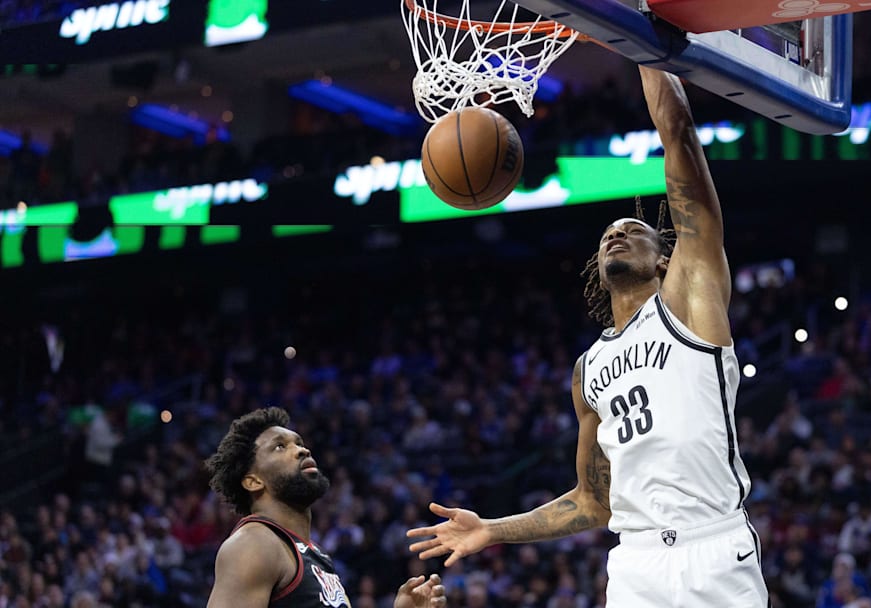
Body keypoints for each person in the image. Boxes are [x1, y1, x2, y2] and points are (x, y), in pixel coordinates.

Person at [406, 66, 768, 606]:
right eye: (607, 235)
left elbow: (679, 134)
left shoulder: (692, 301)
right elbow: (594, 502)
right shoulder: (588, 369)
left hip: (711, 547)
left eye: (634, 230)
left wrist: (645, 50)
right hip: (635, 564)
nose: (617, 233)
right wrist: (492, 528)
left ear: (666, 258)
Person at [206, 407, 446, 608]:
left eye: (298, 442)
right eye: (280, 446)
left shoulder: (316, 556)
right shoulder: (254, 544)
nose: (302, 449)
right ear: (253, 481)